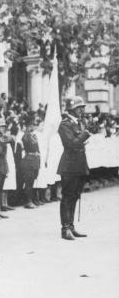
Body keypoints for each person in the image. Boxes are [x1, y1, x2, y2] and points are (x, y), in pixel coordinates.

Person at [57, 96, 90, 240]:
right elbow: (71, 144)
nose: (82, 110)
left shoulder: (78, 123)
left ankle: (71, 226)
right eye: (79, 108)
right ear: (72, 109)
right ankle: (65, 228)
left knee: (75, 195)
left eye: (82, 107)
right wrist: (84, 135)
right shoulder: (65, 124)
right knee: (68, 196)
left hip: (79, 163)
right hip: (69, 164)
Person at [21, 115, 41, 209]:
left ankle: (32, 199)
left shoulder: (33, 135)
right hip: (29, 159)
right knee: (29, 182)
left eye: (33, 125)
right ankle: (28, 201)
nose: (33, 127)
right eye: (32, 125)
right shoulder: (26, 135)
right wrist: (27, 131)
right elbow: (26, 143)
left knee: (33, 181)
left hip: (34, 160)